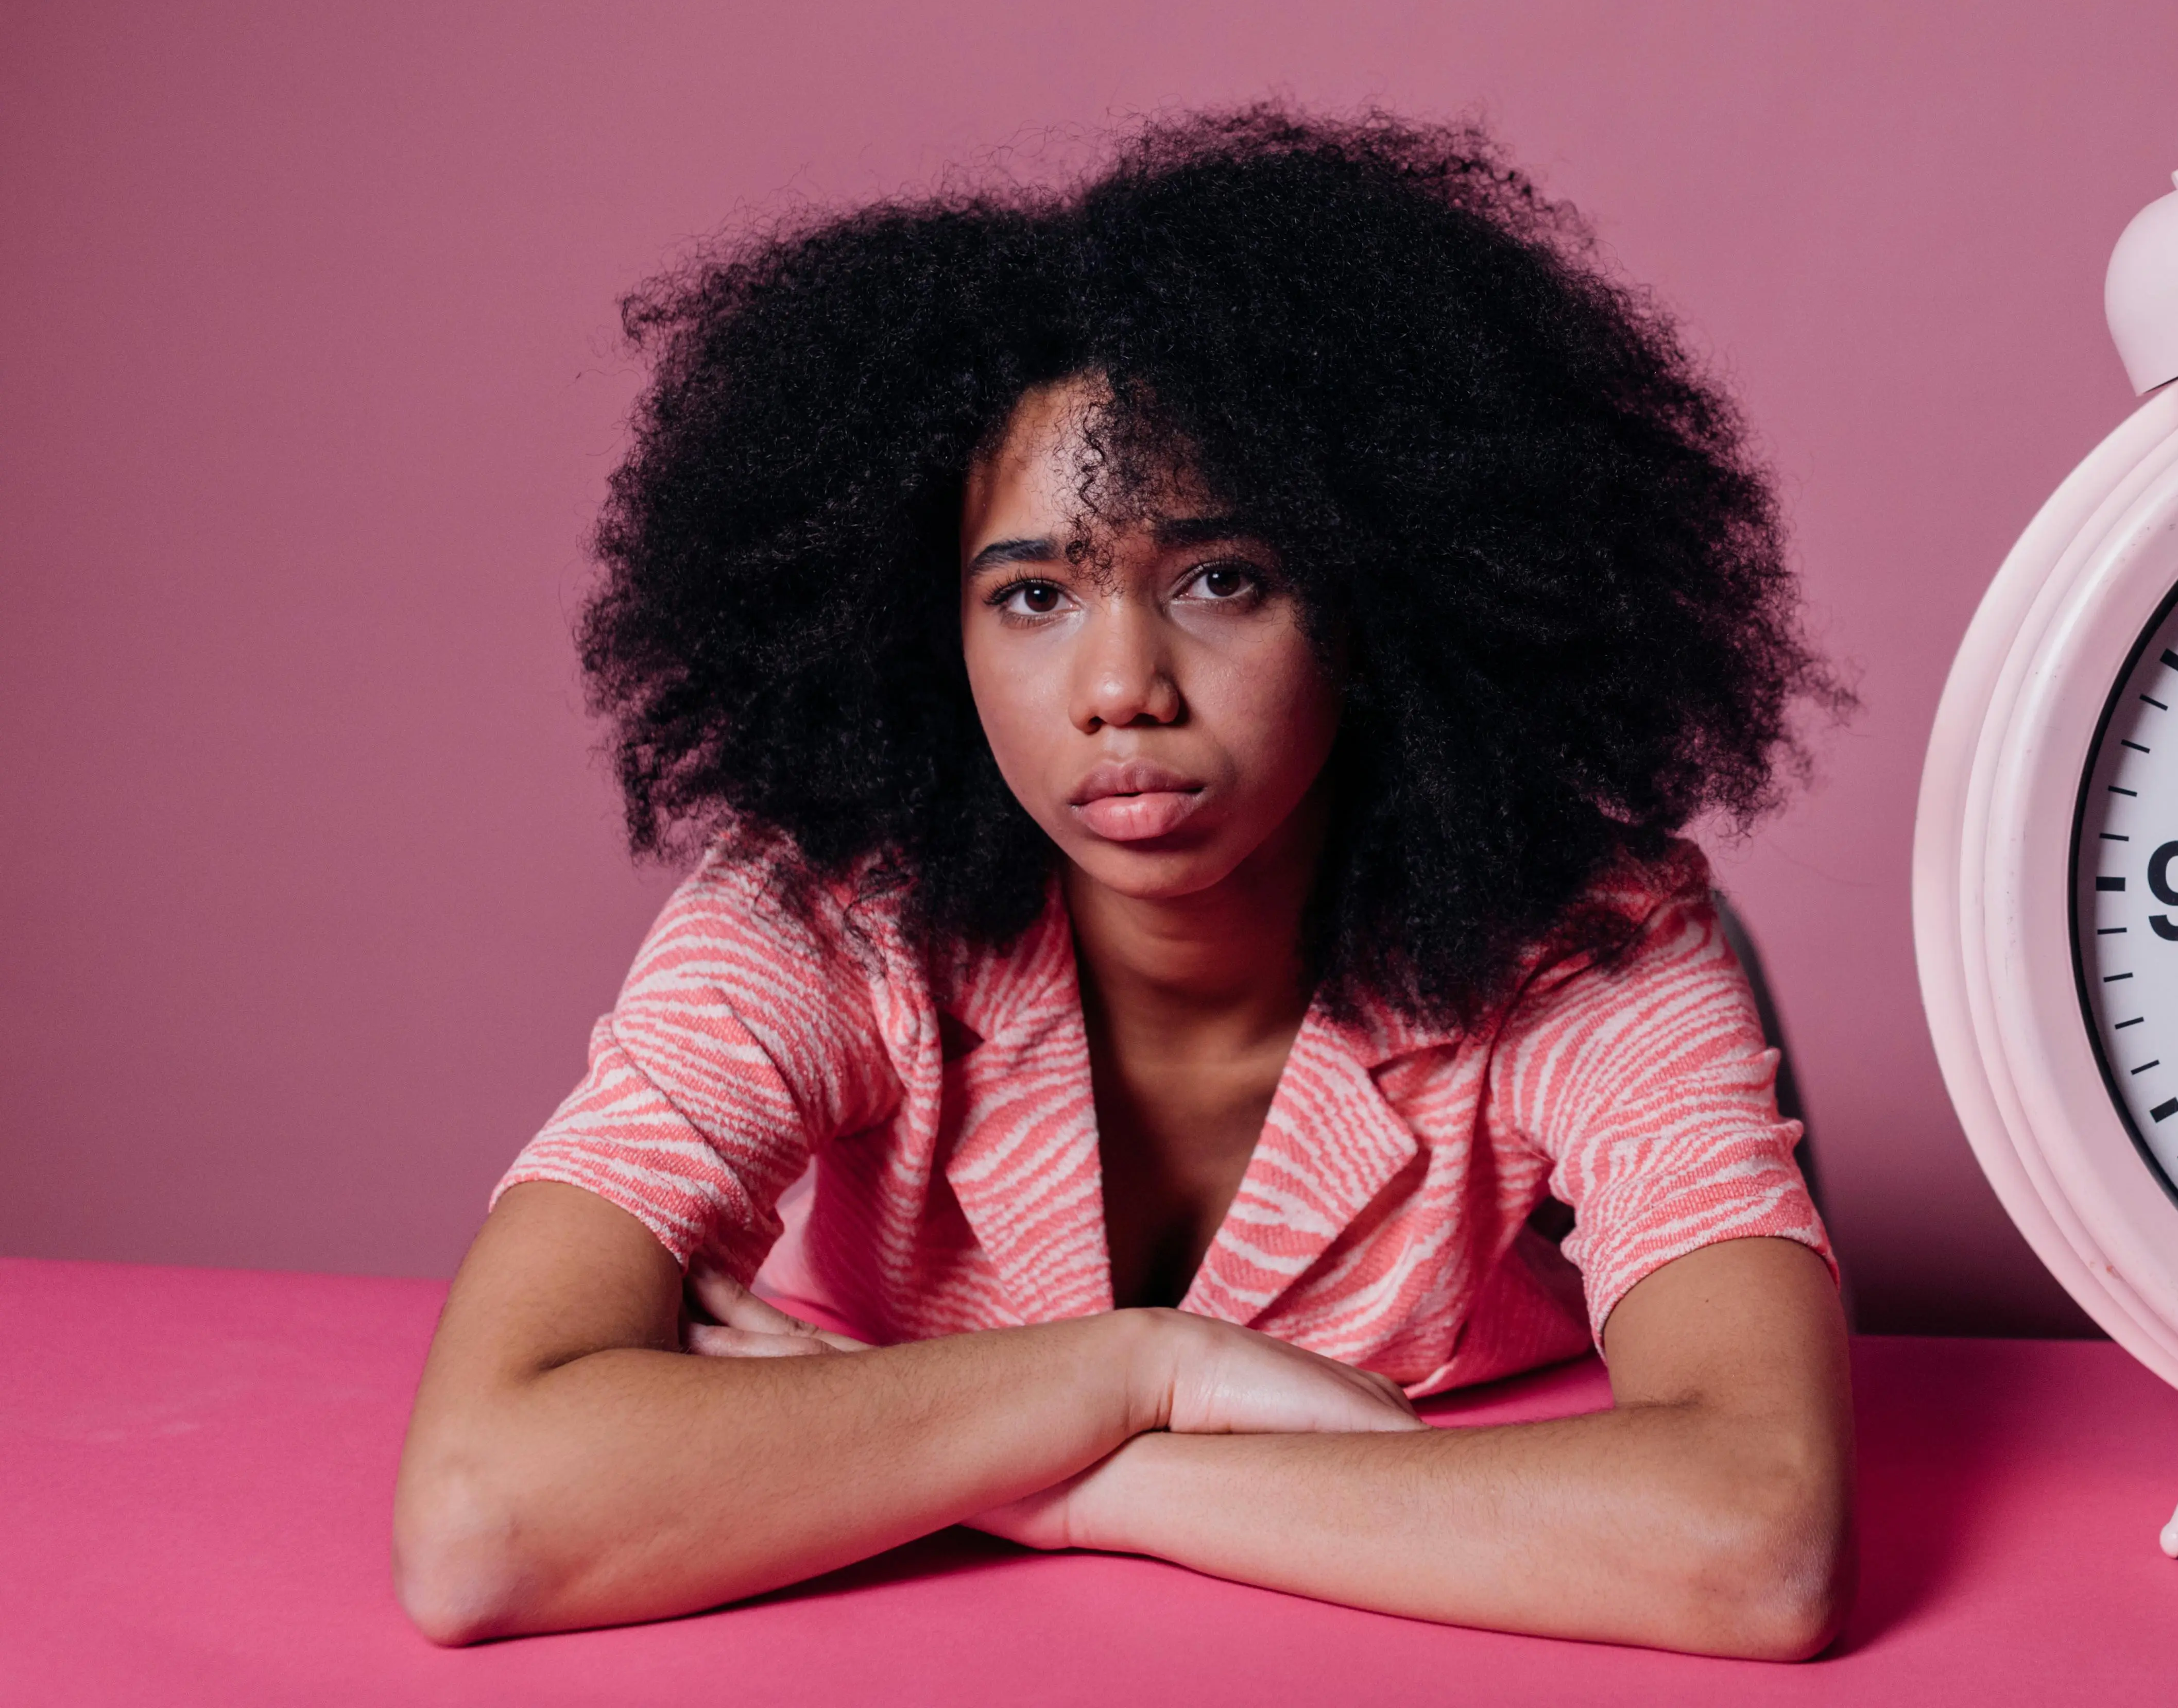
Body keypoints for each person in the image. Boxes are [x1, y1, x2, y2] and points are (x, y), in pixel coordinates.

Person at [394, 111, 1852, 1657]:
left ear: (1368, 606)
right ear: (926, 632)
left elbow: (1757, 1539)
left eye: (1220, 580)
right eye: (1032, 596)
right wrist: (1135, 1371)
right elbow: (481, 1519)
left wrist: (1081, 1485)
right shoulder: (823, 921)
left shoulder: (1581, 941)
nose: (1119, 689)